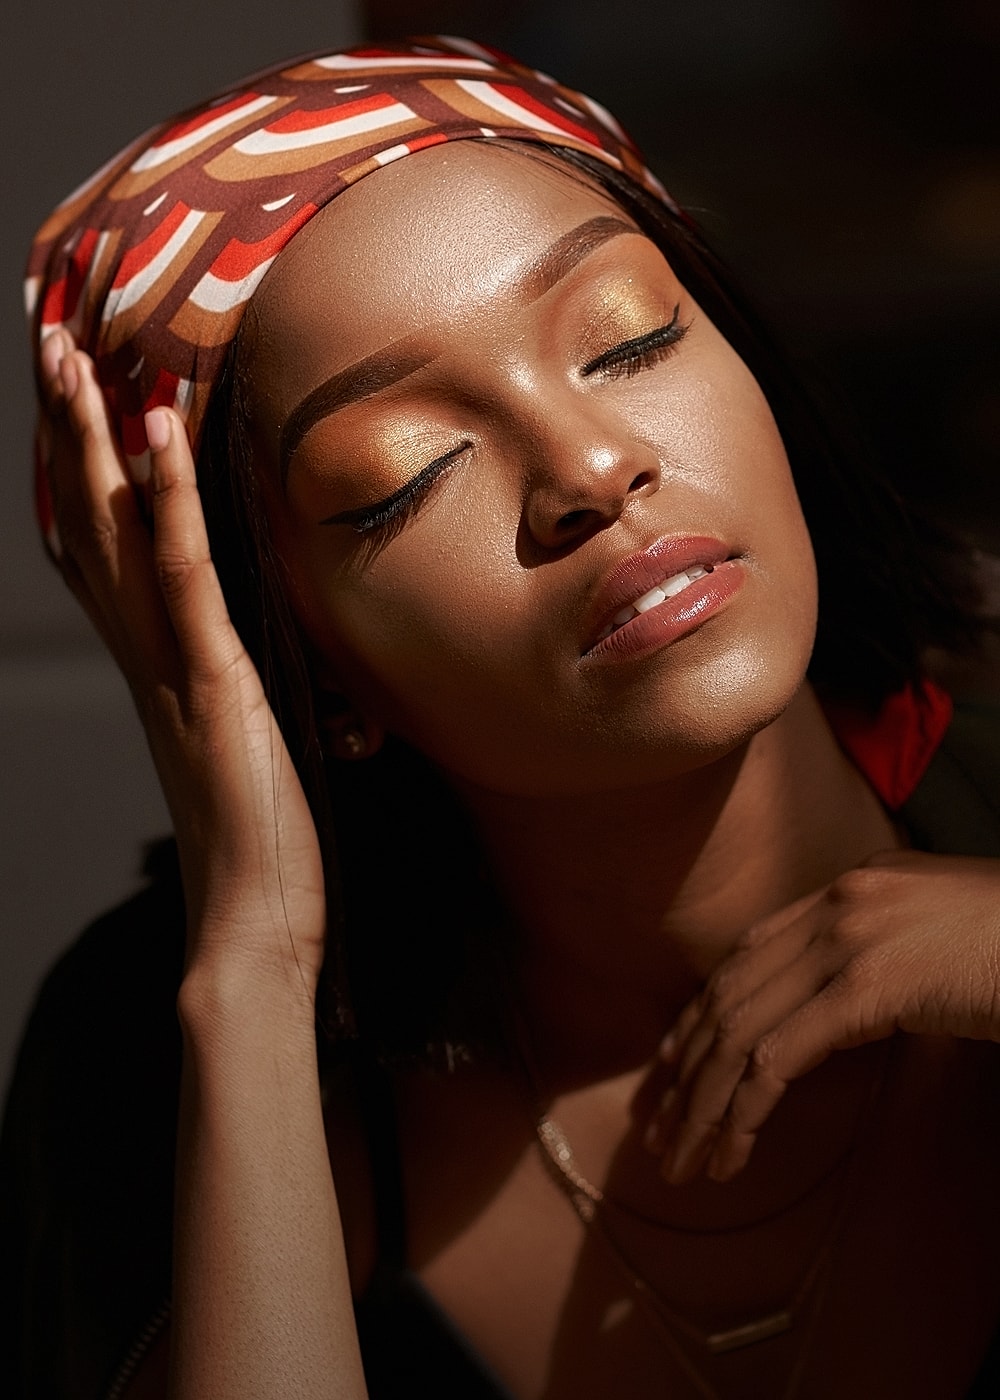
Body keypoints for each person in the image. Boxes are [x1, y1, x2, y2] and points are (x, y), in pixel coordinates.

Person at [4, 34, 1000, 1400]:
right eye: (407, 474)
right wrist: (251, 974)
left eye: (630, 337)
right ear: (305, 662)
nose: (591, 468)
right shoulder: (137, 1066)